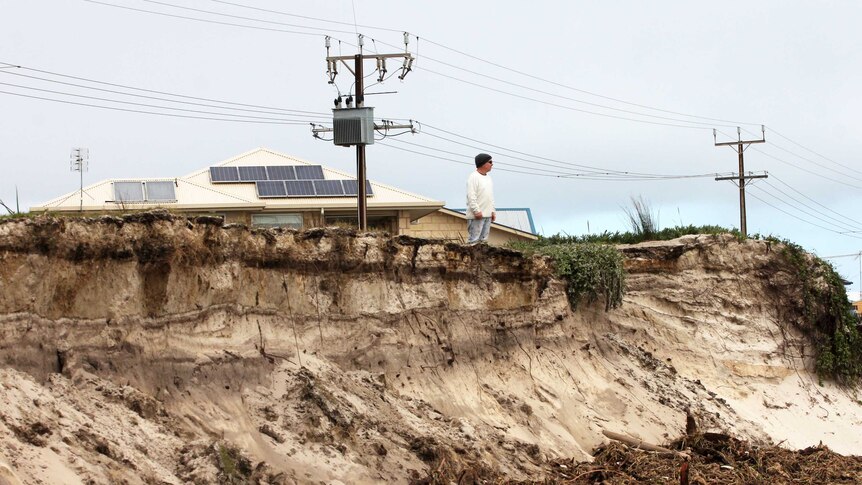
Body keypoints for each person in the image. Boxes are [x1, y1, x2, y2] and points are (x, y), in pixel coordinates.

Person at [466, 152, 496, 244]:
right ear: (483, 163)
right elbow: (471, 196)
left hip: (487, 215)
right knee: (474, 241)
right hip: (478, 215)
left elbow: (490, 196)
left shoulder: (489, 178)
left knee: (483, 242)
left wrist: (493, 211)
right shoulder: (473, 177)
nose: (492, 164)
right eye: (490, 162)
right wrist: (476, 211)